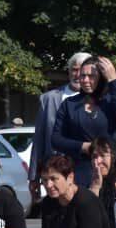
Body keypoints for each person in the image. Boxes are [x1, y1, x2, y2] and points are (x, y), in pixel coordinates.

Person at [51, 56, 116, 187]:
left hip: (113, 174)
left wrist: (113, 80)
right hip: (81, 174)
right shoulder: (69, 104)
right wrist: (83, 146)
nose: (85, 80)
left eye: (91, 76)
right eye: (82, 75)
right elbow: (56, 139)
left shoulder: (113, 101)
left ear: (102, 78)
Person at [29, 52, 91, 207]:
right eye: (74, 70)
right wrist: (34, 176)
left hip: (84, 174)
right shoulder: (49, 99)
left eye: (82, 71)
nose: (78, 75)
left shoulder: (98, 101)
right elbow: (39, 140)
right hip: (54, 175)